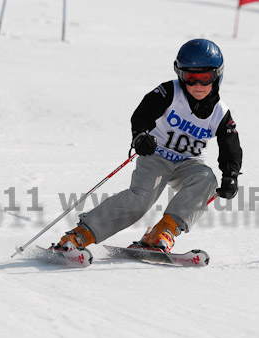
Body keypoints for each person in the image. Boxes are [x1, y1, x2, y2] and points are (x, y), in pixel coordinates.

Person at [55, 38, 242, 253]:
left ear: (217, 76)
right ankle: (82, 234)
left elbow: (230, 146)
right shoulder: (170, 92)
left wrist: (231, 175)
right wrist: (140, 136)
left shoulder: (220, 112)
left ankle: (163, 231)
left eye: (204, 78)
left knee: (206, 179)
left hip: (189, 164)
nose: (197, 85)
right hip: (156, 155)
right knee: (140, 200)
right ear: (180, 75)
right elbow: (142, 114)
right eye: (190, 78)